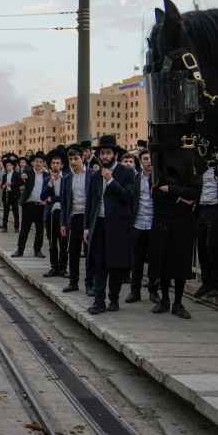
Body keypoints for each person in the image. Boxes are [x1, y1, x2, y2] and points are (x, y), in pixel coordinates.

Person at [85, 135, 136, 315]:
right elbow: (90, 202)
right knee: (99, 264)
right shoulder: (95, 175)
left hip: (118, 226)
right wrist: (86, 227)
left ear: (115, 154)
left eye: (108, 153)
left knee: (115, 264)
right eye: (102, 153)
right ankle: (99, 302)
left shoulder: (126, 172)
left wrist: (111, 181)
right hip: (98, 224)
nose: (105, 157)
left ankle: (113, 299)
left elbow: (128, 197)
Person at [149, 155, 201, 319]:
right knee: (163, 264)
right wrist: (180, 198)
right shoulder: (160, 171)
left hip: (183, 226)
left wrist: (173, 191)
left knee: (181, 265)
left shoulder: (191, 172)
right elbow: (157, 194)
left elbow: (194, 194)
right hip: (163, 224)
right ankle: (164, 300)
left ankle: (178, 303)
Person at [126, 150, 159, 304]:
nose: (149, 161)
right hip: (137, 224)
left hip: (153, 224)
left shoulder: (159, 179)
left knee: (154, 260)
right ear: (140, 162)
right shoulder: (134, 179)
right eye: (145, 159)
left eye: (151, 159)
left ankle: (153, 291)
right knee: (136, 261)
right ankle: (135, 291)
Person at [194, 161, 218, 298]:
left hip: (216, 209)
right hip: (202, 209)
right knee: (202, 247)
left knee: (213, 247)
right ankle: (207, 283)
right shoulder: (199, 166)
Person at [60, 145, 90, 293]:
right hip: (74, 218)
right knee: (73, 251)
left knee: (90, 252)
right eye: (70, 159)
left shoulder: (91, 175)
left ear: (83, 158)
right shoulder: (66, 178)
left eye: (76, 158)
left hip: (88, 218)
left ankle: (89, 284)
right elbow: (64, 202)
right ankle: (73, 282)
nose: (73, 161)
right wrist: (63, 223)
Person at [13, 152, 48, 258]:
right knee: (24, 229)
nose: (38, 164)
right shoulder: (28, 171)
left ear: (44, 163)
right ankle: (20, 250)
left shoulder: (47, 175)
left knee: (40, 230)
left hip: (41, 206)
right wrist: (21, 176)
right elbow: (20, 178)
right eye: (36, 161)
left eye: (40, 162)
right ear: (33, 163)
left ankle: (38, 250)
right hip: (28, 205)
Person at [42, 151, 66, 277]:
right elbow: (42, 196)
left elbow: (66, 197)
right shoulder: (47, 179)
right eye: (53, 163)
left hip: (62, 214)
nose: (55, 165)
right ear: (50, 165)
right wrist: (50, 183)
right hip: (50, 214)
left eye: (58, 163)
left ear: (61, 165)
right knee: (52, 242)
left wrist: (54, 198)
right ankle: (54, 267)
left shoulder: (66, 178)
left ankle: (63, 268)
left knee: (63, 242)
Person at [0, 159, 21, 232]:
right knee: (6, 212)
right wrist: (3, 186)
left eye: (9, 165)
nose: (8, 167)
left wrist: (11, 184)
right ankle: (4, 227)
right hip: (6, 194)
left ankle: (16, 227)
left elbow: (19, 184)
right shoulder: (4, 175)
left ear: (12, 166)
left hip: (14, 194)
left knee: (15, 211)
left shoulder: (17, 174)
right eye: (6, 166)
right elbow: (2, 185)